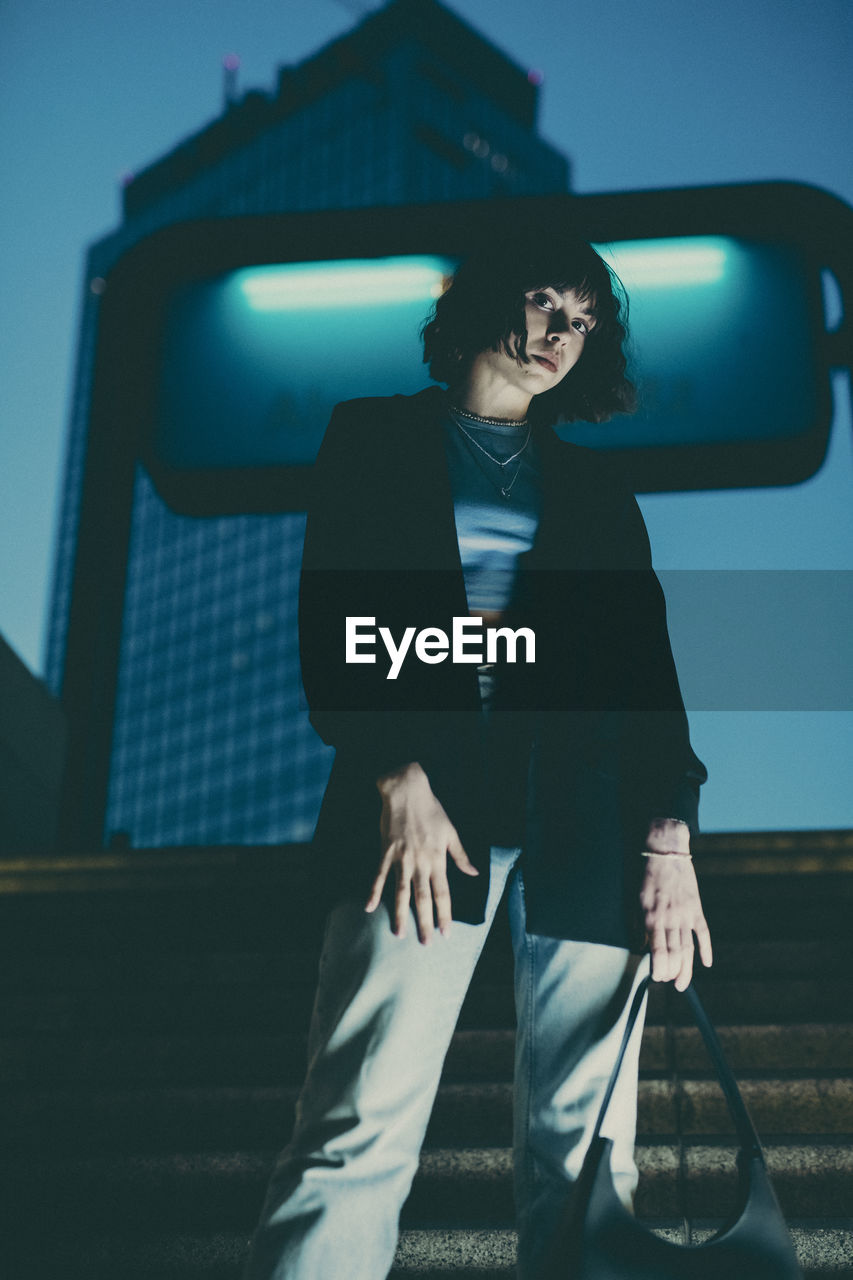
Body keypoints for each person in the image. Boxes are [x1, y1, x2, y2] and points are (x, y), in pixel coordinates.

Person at [243, 239, 712, 1279]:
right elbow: (337, 623)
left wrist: (670, 836)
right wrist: (392, 769)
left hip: (587, 821)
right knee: (354, 1134)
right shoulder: (372, 438)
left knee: (588, 1155)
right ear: (488, 304)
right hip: (425, 808)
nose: (558, 334)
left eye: (582, 321)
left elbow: (642, 672)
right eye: (543, 302)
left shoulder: (597, 489)